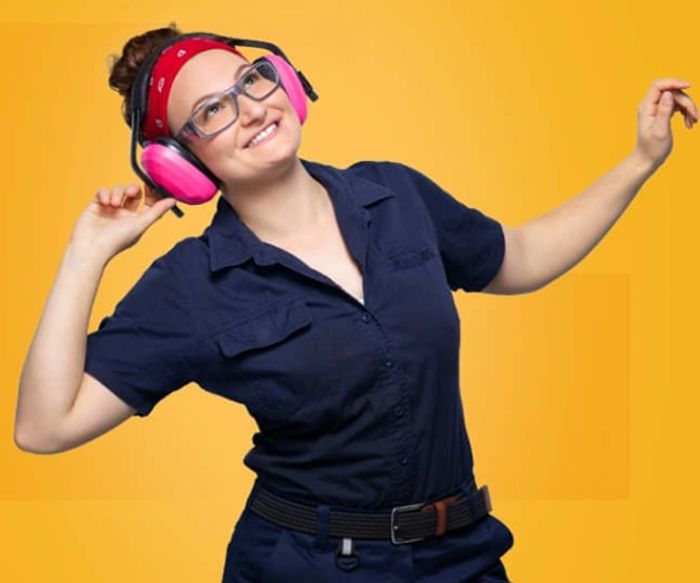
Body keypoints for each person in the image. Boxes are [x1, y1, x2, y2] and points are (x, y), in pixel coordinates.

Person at [15, 20, 698, 583]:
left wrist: (638, 160)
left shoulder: (397, 196)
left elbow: (518, 258)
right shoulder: (193, 283)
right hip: (307, 565)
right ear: (182, 164)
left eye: (250, 80)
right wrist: (88, 252)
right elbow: (45, 426)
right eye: (212, 111)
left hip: (462, 551)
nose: (251, 108)